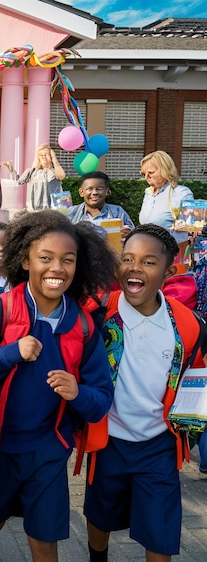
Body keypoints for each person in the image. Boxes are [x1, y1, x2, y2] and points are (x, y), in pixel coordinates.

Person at [0, 209, 118, 562]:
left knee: (46, 541)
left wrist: (77, 392)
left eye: (68, 260)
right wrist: (8, 354)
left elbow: (101, 400)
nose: (57, 269)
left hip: (49, 450)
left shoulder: (82, 324)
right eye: (45, 258)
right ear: (25, 260)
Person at [84, 224, 206, 562]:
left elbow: (195, 381)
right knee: (100, 513)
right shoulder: (98, 313)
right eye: (128, 259)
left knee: (162, 530)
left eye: (149, 262)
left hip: (158, 445)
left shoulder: (188, 325)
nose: (135, 268)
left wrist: (188, 433)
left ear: (169, 271)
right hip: (108, 439)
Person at [139, 150, 193, 247]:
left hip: (172, 251)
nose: (147, 177)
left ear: (165, 170)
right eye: (144, 174)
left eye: (151, 172)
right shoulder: (148, 192)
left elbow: (190, 225)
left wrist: (181, 225)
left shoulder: (182, 193)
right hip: (147, 248)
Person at [67, 171, 134, 239]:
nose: (95, 192)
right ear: (81, 192)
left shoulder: (117, 212)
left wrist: (129, 234)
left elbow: (134, 235)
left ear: (107, 191)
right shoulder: (71, 213)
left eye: (99, 188)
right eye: (89, 189)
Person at [17, 144, 66, 211]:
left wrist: (55, 159)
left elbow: (62, 176)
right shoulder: (32, 172)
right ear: (38, 157)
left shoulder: (55, 171)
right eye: (41, 155)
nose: (44, 156)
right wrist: (11, 170)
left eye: (46, 154)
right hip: (36, 210)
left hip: (54, 211)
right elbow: (19, 181)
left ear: (51, 156)